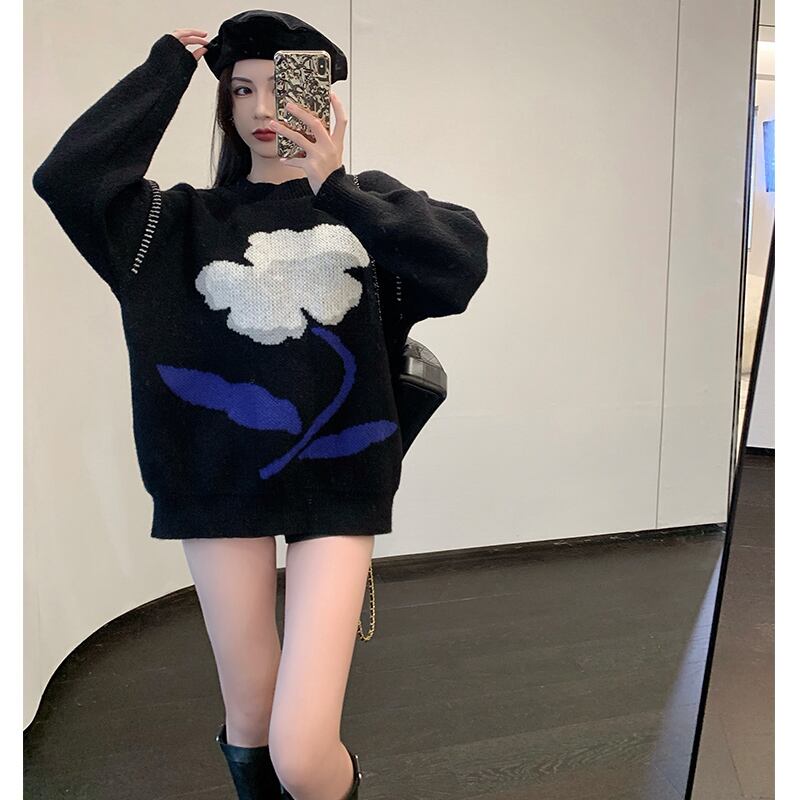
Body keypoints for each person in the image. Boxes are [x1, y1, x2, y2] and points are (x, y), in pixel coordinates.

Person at [31, 10, 489, 800]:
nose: (264, 108)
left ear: (325, 98)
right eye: (242, 89)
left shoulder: (366, 206)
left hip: (341, 476)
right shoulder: (173, 225)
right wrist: (164, 74)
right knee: (250, 721)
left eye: (285, 87)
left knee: (301, 751)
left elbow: (459, 263)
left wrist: (336, 184)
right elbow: (69, 179)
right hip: (214, 480)